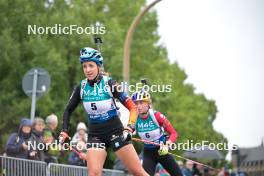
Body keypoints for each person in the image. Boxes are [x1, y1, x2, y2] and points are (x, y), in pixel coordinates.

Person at [59, 47, 149, 176]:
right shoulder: (81, 87)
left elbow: (133, 107)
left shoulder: (110, 84)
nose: (88, 70)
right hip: (95, 134)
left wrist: (129, 127)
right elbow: (68, 110)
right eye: (84, 66)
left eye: (91, 65)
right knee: (93, 174)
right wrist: (64, 130)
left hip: (115, 131)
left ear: (98, 66)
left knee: (137, 172)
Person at [131, 90, 183, 176]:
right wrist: (126, 134)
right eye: (136, 103)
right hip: (148, 153)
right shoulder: (134, 119)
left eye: (141, 103)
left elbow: (173, 133)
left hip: (162, 151)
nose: (138, 106)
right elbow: (128, 131)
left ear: (148, 104)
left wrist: (167, 144)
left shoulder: (157, 116)